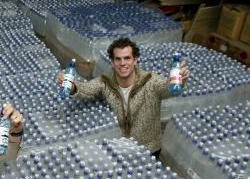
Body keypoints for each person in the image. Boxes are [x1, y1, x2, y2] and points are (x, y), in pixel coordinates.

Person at [58, 37, 189, 159]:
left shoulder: (150, 81)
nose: (123, 63)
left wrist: (180, 82)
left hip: (148, 149)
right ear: (112, 62)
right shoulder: (106, 82)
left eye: (127, 58)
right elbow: (86, 89)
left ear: (135, 60)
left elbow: (168, 89)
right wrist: (72, 86)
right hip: (121, 149)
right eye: (118, 59)